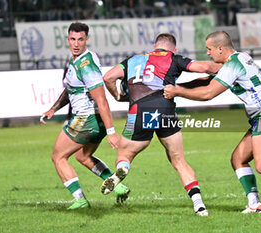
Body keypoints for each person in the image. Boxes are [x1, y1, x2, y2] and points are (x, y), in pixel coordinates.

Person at [163, 30, 261, 213]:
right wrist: (177, 86)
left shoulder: (233, 65)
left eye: (209, 49)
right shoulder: (239, 58)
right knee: (238, 159)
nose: (208, 53)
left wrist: (177, 92)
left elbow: (208, 93)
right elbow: (206, 80)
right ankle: (254, 203)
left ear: (220, 48)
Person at [100, 33, 221, 216]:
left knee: (125, 153)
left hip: (138, 111)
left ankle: (123, 168)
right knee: (179, 161)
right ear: (174, 49)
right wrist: (228, 65)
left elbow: (108, 77)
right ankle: (199, 205)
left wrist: (119, 96)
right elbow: (205, 67)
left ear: (154, 45)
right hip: (165, 109)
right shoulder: (174, 58)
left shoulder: (133, 60)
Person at [40, 22, 130, 210]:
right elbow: (70, 90)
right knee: (83, 155)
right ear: (68, 39)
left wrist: (112, 132)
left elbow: (102, 99)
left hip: (86, 118)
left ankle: (80, 199)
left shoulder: (85, 63)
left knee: (58, 156)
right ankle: (117, 186)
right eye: (73, 39)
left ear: (86, 40)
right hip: (95, 120)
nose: (76, 43)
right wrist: (53, 109)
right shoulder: (77, 60)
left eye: (80, 39)